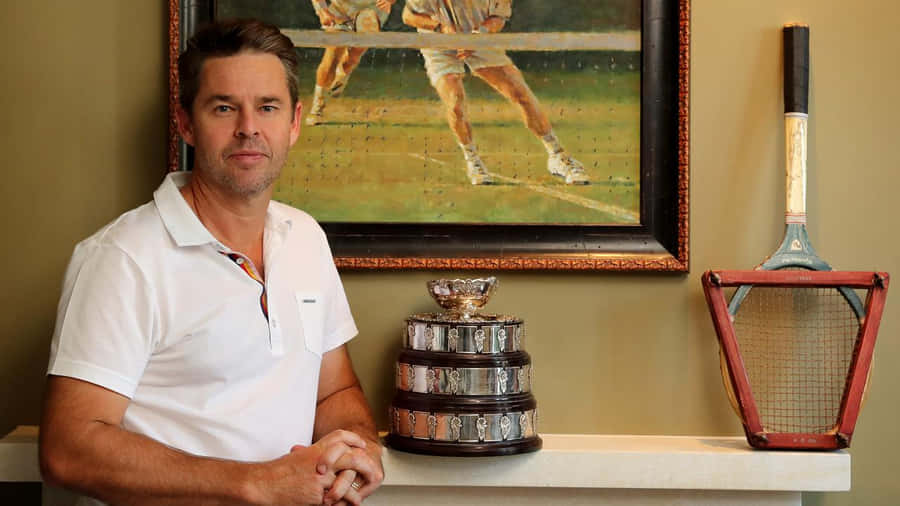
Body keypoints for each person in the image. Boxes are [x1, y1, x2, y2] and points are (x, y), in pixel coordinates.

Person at [39, 19, 383, 506]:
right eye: (224, 108)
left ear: (294, 122)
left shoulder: (305, 238)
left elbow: (334, 392)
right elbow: (67, 449)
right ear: (186, 123)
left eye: (267, 107)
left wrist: (357, 446)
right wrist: (258, 483)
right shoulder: (122, 259)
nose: (248, 128)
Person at [402, 0, 589, 185]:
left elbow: (497, 18)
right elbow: (408, 15)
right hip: (438, 43)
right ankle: (473, 161)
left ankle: (557, 155)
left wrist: (478, 35)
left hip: (479, 39)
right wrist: (440, 27)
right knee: (455, 101)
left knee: (520, 93)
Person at [307, 0, 396, 125]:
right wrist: (322, 11)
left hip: (370, 11)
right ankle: (317, 108)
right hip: (339, 11)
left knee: (354, 56)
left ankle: (341, 75)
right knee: (333, 55)